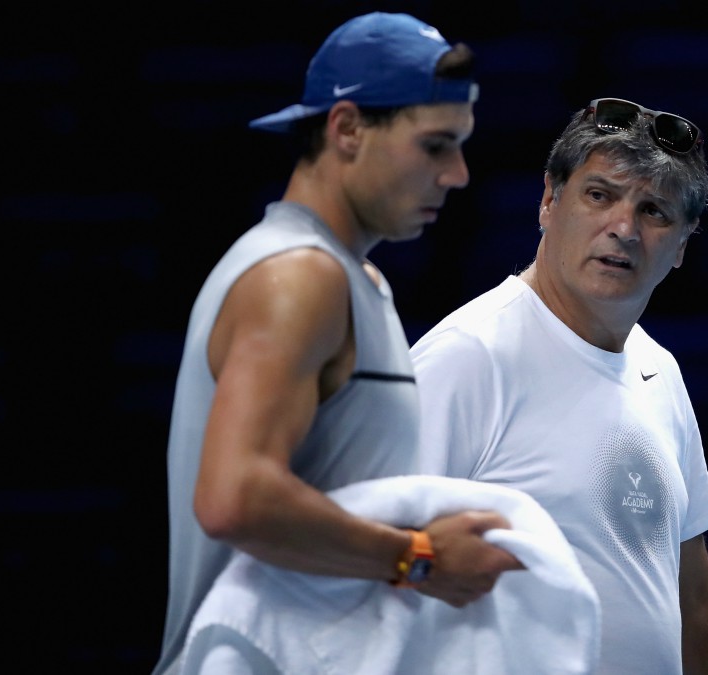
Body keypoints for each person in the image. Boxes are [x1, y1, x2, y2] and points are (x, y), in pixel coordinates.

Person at [152, 12, 521, 675]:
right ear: (346, 128)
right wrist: (420, 556)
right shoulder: (299, 276)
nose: (459, 174)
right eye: (436, 146)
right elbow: (235, 495)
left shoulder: (354, 279)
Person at [410, 97, 708, 673]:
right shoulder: (466, 357)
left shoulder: (661, 374)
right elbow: (373, 564)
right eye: (599, 195)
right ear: (549, 201)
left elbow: (698, 602)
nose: (623, 228)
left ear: (681, 246)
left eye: (654, 211)